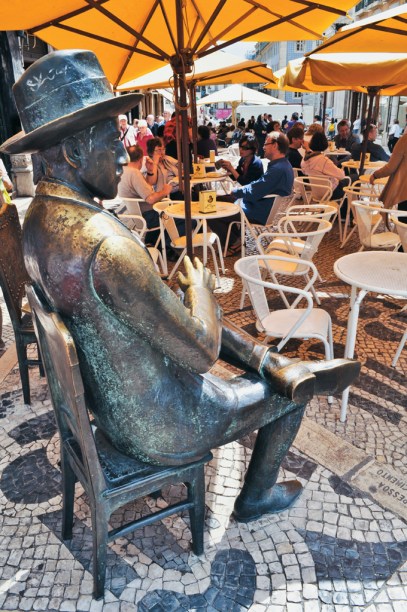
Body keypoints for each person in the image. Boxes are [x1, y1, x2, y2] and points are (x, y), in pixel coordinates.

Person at [2, 49, 359, 524]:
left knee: (210, 326)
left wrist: (189, 300)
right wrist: (203, 289)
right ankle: (256, 494)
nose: (125, 156)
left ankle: (271, 360)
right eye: (115, 143)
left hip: (111, 409)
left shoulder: (38, 223)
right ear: (73, 151)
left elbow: (157, 318)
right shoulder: (104, 245)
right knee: (294, 391)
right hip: (162, 426)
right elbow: (201, 354)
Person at [210, 132, 294, 253]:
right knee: (218, 201)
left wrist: (236, 191)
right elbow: (257, 186)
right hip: (257, 206)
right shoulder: (282, 165)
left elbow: (254, 190)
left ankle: (234, 242)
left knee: (212, 211)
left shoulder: (278, 169)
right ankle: (236, 238)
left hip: (256, 211)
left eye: (266, 144)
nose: (264, 147)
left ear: (275, 145)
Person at [117, 144, 172, 242]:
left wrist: (150, 171)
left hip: (136, 216)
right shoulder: (134, 173)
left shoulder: (123, 171)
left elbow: (146, 186)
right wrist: (165, 191)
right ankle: (166, 247)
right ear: (141, 159)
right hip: (148, 216)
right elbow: (150, 199)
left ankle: (155, 244)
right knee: (182, 217)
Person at [369, 132, 407, 216]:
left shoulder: (405, 140)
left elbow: (391, 167)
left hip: (405, 192)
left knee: (403, 225)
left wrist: (375, 175)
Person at [301, 132, 347, 200]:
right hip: (330, 192)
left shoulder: (305, 159)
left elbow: (304, 171)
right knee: (353, 179)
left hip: (316, 192)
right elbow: (341, 175)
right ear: (325, 144)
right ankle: (349, 208)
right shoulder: (323, 160)